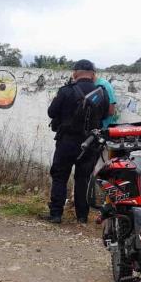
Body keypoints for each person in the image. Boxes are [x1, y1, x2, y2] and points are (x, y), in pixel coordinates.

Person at [43, 59, 109, 224]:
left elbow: (51, 113)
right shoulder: (101, 92)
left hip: (66, 141)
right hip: (90, 142)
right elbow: (105, 115)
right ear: (93, 75)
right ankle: (82, 217)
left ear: (75, 73)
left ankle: (56, 214)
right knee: (83, 179)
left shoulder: (66, 91)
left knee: (60, 176)